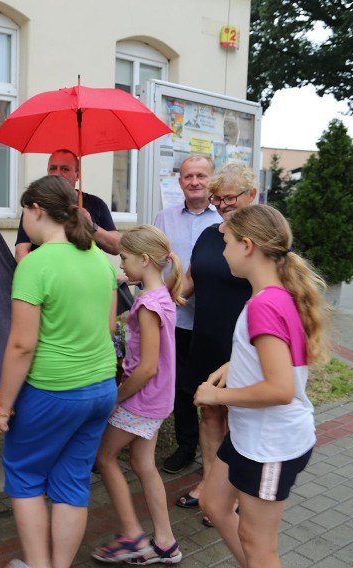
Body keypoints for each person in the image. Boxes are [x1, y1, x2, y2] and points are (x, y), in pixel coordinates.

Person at [0, 175, 118, 568]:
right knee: (72, 482)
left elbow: (21, 345)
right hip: (100, 388)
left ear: (36, 211)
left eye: (22, 213)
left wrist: (2, 406)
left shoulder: (35, 264)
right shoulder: (100, 258)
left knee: (25, 476)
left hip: (53, 391)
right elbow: (110, 328)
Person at [195, 205, 328, 567]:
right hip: (248, 436)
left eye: (227, 242)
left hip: (270, 445)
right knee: (213, 502)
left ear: (247, 245)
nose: (223, 252)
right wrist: (233, 364)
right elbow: (273, 354)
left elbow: (281, 389)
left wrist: (217, 396)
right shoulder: (272, 295)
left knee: (258, 547)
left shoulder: (264, 305)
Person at [92, 225, 185, 565]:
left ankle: (133, 538)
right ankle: (165, 542)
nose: (122, 267)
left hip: (141, 400)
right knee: (143, 463)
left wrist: (117, 396)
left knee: (103, 458)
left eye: (125, 259)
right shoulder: (165, 296)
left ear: (145, 260)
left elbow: (146, 367)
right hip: (159, 399)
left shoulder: (147, 304)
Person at [176, 163, 256, 525]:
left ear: (251, 196)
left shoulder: (262, 239)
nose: (222, 204)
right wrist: (162, 299)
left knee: (239, 420)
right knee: (209, 413)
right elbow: (192, 277)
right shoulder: (210, 234)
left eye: (230, 197)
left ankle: (235, 492)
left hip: (243, 343)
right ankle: (210, 485)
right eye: (217, 198)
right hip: (205, 337)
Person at [154, 155, 221, 474]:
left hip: (213, 322)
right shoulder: (164, 218)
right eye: (187, 176)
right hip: (177, 320)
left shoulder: (224, 218)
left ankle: (219, 453)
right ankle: (186, 445)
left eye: (201, 176)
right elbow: (151, 261)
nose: (194, 181)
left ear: (212, 180)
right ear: (179, 181)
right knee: (180, 385)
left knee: (213, 388)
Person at [14, 149, 120, 259]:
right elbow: (21, 251)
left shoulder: (96, 204)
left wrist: (91, 227)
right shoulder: (36, 205)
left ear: (77, 175)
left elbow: (117, 246)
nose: (57, 173)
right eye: (53, 168)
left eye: (65, 169)